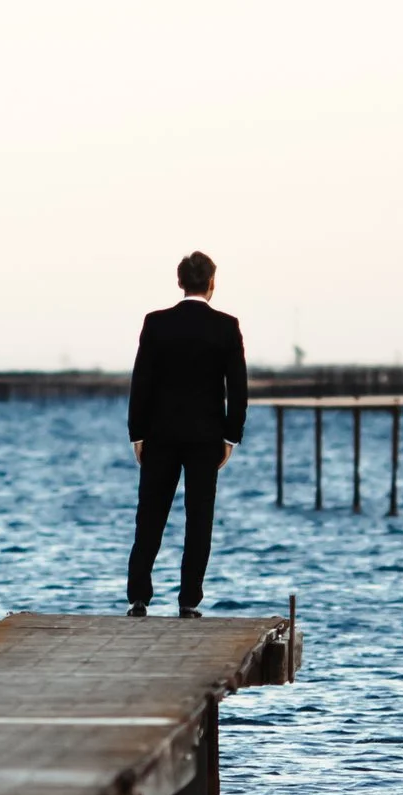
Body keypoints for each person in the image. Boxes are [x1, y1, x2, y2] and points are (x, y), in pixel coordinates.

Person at [125, 250, 249, 617]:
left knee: (150, 515)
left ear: (180, 282)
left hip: (160, 434)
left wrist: (138, 433)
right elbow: (237, 388)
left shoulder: (156, 323)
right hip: (205, 437)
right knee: (199, 518)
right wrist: (231, 436)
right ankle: (189, 600)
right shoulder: (227, 326)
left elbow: (141, 382)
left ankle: (138, 597)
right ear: (212, 283)